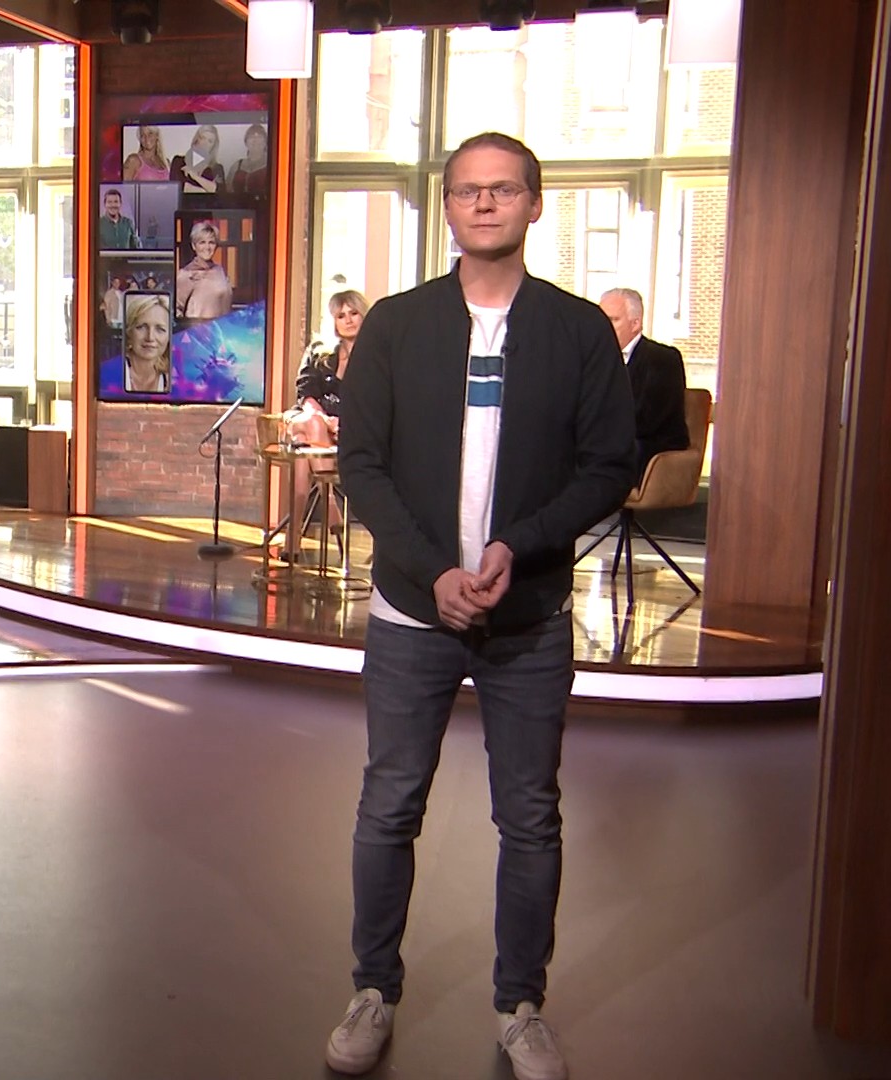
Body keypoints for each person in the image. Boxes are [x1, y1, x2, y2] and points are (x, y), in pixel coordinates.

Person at [326, 133, 636, 1080]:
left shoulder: (578, 332)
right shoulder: (396, 326)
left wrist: (515, 545)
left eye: (503, 190)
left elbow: (608, 466)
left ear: (534, 203)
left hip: (529, 616)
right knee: (389, 806)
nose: (486, 204)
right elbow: (361, 466)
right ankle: (372, 990)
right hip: (411, 614)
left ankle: (520, 1005)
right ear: (448, 207)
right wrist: (432, 573)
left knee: (530, 817)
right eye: (468, 191)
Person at [279, 290, 367, 547]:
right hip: (308, 416)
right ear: (333, 321)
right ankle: (329, 502)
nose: (348, 320)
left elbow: (373, 399)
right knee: (313, 424)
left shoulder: (374, 356)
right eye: (341, 315)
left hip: (338, 433)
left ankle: (293, 537)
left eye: (354, 313)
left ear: (364, 316)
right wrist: (324, 419)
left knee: (302, 459)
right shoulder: (319, 352)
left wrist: (345, 424)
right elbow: (305, 392)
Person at [598, 287, 690, 472]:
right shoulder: (596, 358)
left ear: (635, 323)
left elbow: (647, 418)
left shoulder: (662, 359)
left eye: (613, 320)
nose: (603, 327)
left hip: (647, 450)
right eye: (601, 320)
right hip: (605, 444)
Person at [98, 293, 172, 396]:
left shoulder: (176, 382)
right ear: (129, 331)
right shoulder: (105, 374)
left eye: (160, 329)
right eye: (141, 327)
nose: (150, 337)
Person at [176, 221, 233, 321]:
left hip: (222, 329)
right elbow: (176, 310)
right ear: (194, 246)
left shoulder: (220, 271)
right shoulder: (186, 274)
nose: (207, 247)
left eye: (211, 242)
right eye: (202, 242)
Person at [172, 125, 223, 193]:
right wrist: (204, 191)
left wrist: (195, 177)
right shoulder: (178, 161)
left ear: (213, 146)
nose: (205, 143)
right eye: (203, 138)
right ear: (197, 140)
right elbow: (176, 188)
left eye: (210, 141)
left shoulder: (217, 168)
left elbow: (219, 192)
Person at [229, 123, 270, 196]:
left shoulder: (272, 166)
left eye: (259, 136)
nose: (255, 140)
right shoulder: (237, 166)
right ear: (246, 142)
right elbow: (227, 190)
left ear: (265, 142)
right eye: (251, 137)